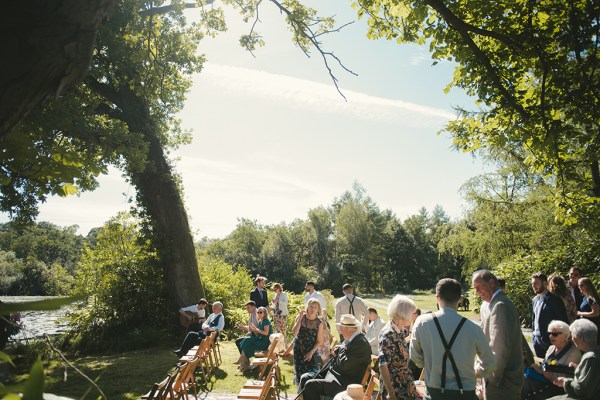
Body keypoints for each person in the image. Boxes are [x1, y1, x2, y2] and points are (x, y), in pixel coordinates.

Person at [411, 279, 496, 400]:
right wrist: (473, 371)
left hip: (434, 392)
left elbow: (414, 356)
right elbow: (489, 363)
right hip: (465, 392)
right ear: (460, 299)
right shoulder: (474, 329)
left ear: (437, 298)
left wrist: (430, 365)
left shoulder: (422, 322)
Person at [472, 270, 524, 400]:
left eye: (479, 287)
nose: (477, 292)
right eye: (475, 289)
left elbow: (499, 350)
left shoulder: (500, 306)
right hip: (498, 379)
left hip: (502, 382)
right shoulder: (491, 304)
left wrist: (489, 378)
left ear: (491, 282)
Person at [299, 314, 371, 400]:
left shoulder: (360, 343)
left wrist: (340, 349)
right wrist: (341, 349)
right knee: (305, 378)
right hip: (335, 377)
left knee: (310, 385)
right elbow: (343, 357)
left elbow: (345, 365)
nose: (340, 331)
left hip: (343, 384)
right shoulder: (352, 340)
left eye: (342, 328)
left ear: (348, 329)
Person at [522, 320, 582, 400]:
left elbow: (564, 378)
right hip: (544, 383)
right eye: (549, 333)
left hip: (559, 389)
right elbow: (545, 366)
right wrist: (538, 368)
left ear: (565, 335)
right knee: (521, 380)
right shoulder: (551, 348)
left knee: (524, 385)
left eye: (554, 334)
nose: (551, 336)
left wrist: (542, 372)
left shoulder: (574, 352)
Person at [377, 295, 419, 400]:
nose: (414, 316)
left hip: (405, 385)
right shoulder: (388, 334)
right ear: (403, 314)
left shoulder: (399, 330)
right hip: (395, 389)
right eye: (412, 313)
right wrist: (391, 394)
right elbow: (383, 365)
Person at [548, 319, 600, 399]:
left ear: (580, 337)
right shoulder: (596, 352)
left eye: (572, 336)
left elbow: (581, 389)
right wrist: (578, 368)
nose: (571, 339)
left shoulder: (590, 357)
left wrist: (565, 382)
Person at [531, 271, 569, 357]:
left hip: (550, 340)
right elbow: (534, 320)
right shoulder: (534, 300)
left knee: (552, 366)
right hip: (536, 340)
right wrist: (533, 336)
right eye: (532, 284)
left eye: (536, 283)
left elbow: (562, 320)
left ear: (545, 283)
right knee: (541, 368)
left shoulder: (554, 300)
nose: (534, 286)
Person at [290, 298, 325, 385]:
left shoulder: (319, 323)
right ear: (307, 307)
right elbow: (294, 333)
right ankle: (300, 396)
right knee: (299, 374)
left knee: (317, 371)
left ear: (318, 310)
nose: (313, 309)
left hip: (313, 351)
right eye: (311, 306)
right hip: (299, 349)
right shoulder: (301, 317)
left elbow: (320, 341)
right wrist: (300, 319)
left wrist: (311, 352)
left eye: (315, 307)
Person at [238, 306, 273, 371]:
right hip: (260, 339)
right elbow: (259, 333)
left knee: (247, 340)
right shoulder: (260, 321)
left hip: (264, 343)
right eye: (258, 312)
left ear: (265, 313)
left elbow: (266, 333)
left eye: (260, 312)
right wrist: (255, 330)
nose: (259, 313)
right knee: (247, 339)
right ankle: (243, 359)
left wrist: (256, 329)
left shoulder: (266, 321)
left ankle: (243, 359)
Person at [576, 277, 600, 343]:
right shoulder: (585, 297)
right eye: (578, 285)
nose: (579, 287)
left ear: (587, 285)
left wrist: (580, 313)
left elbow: (596, 313)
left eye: (581, 285)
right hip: (588, 328)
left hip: (594, 327)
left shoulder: (591, 298)